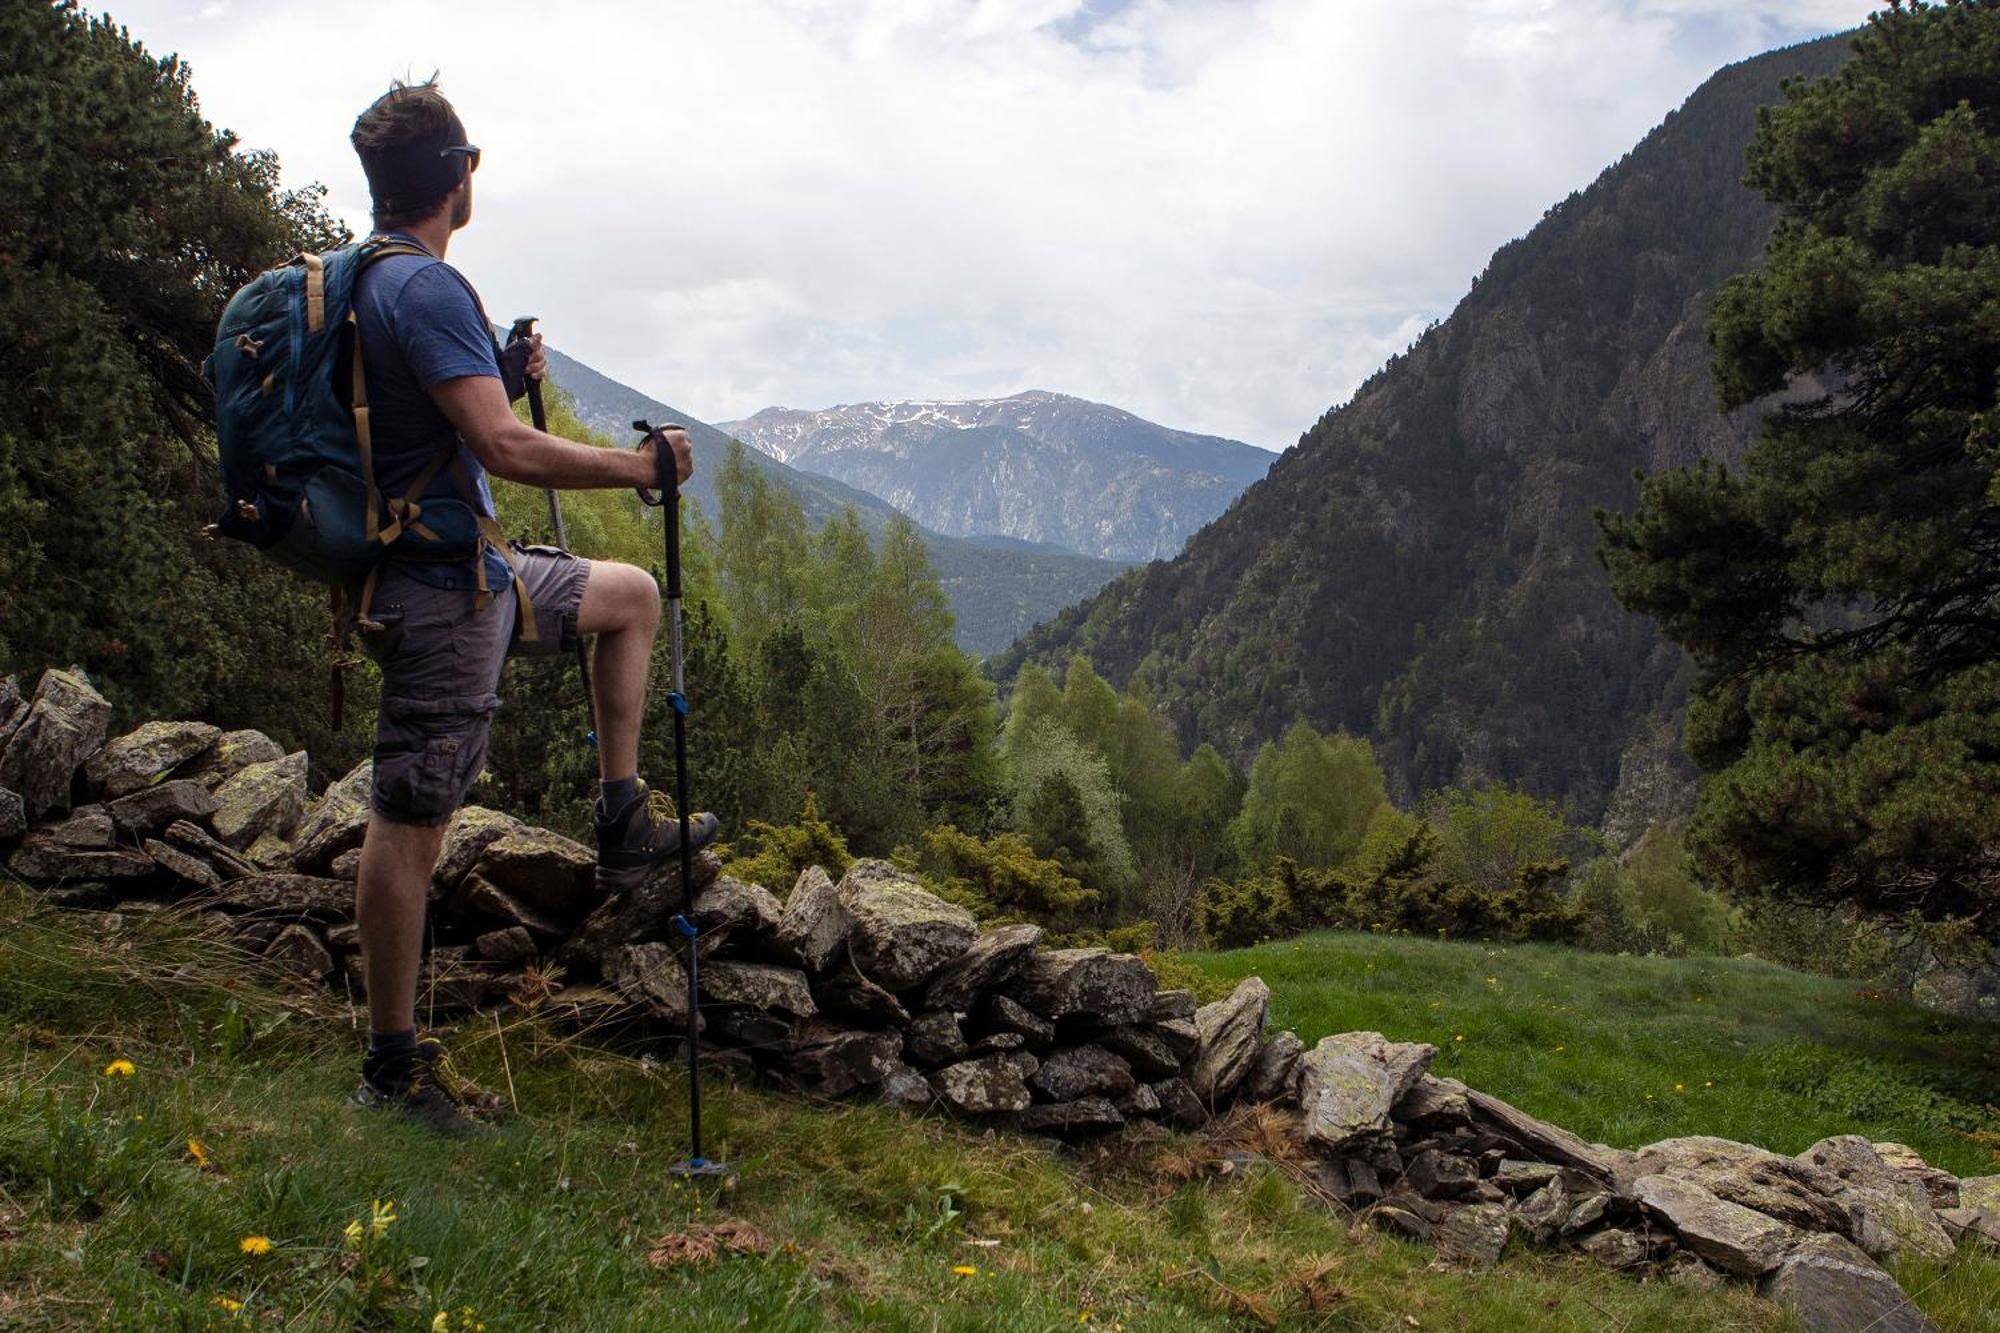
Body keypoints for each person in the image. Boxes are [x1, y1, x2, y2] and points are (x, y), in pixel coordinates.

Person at [344, 78, 716, 1132]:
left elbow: (438, 420)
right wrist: (639, 469)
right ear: (457, 178)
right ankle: (390, 1070)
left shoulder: (379, 283)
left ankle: (621, 817)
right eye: (472, 164)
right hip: (438, 590)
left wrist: (498, 369)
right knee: (411, 817)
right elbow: (501, 447)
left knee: (628, 596)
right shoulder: (425, 290)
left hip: (477, 575)